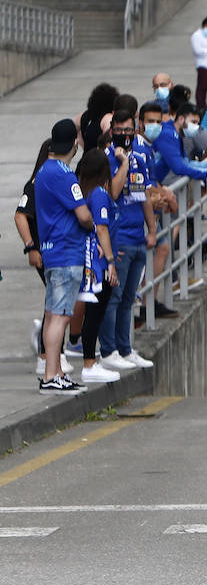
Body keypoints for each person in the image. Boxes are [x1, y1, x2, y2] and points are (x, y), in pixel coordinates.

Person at [34, 119, 93, 394]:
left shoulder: (43, 171)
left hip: (50, 250)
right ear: (74, 144)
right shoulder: (64, 174)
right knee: (60, 317)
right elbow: (83, 215)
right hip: (67, 251)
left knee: (52, 315)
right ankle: (51, 376)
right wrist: (92, 223)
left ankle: (55, 371)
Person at [98, 109, 156, 372]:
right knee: (114, 297)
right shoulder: (106, 159)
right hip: (118, 238)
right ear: (112, 132)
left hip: (137, 237)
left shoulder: (140, 158)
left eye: (128, 130)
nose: (124, 134)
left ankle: (125, 348)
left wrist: (152, 230)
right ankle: (108, 350)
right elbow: (112, 192)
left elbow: (144, 195)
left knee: (129, 298)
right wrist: (122, 162)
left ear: (135, 130)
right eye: (119, 130)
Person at [13, 139, 73, 378]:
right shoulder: (36, 183)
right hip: (45, 251)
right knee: (56, 303)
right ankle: (46, 355)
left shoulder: (58, 179)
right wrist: (31, 247)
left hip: (58, 250)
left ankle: (51, 352)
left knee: (55, 303)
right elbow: (20, 216)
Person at [74, 148, 120, 385]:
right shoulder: (100, 194)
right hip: (99, 264)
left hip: (92, 259)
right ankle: (89, 363)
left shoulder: (85, 191)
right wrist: (111, 262)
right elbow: (101, 228)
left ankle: (91, 360)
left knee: (93, 313)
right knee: (95, 313)